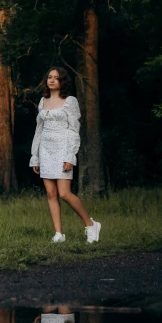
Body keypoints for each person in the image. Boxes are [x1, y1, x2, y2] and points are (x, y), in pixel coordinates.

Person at [29, 66, 101, 244]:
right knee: (51, 193)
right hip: (45, 149)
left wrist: (70, 156)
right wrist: (35, 156)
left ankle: (91, 225)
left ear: (62, 81)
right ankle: (59, 234)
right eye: (49, 77)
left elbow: (74, 130)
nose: (51, 80)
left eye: (56, 78)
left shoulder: (70, 101)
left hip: (62, 149)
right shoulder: (42, 101)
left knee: (64, 193)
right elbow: (39, 130)